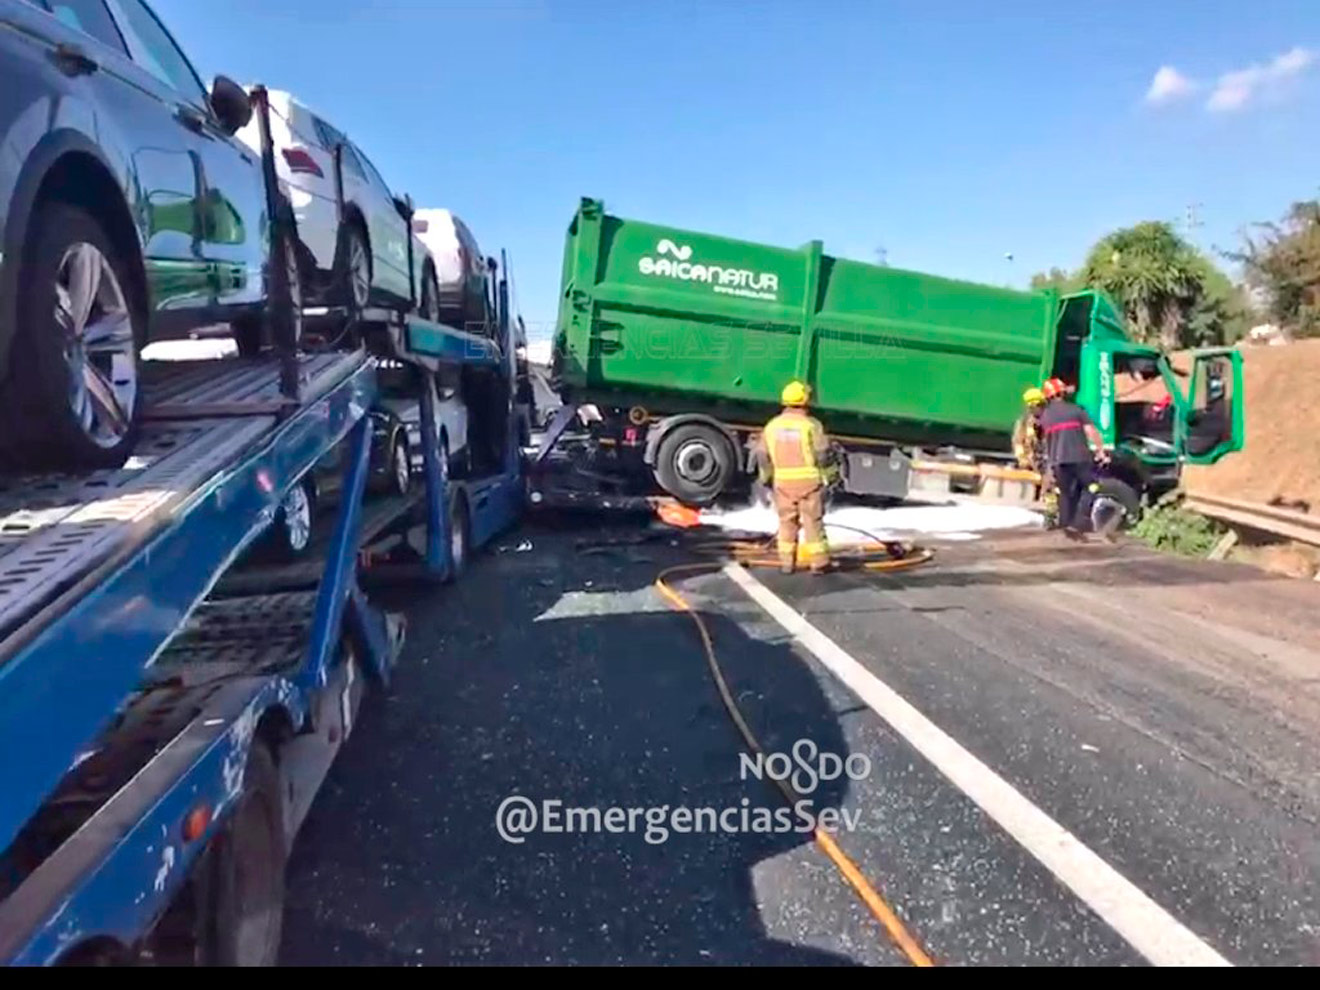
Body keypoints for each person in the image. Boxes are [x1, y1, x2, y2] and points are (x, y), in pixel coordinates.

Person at [754, 382, 833, 575]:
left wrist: (766, 477)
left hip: (782, 484)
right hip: (809, 484)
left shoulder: (772, 425)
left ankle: (787, 564)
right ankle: (819, 563)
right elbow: (823, 454)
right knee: (812, 523)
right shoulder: (810, 425)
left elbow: (762, 455)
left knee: (787, 523)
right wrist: (830, 475)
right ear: (805, 401)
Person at [1038, 377, 1109, 540]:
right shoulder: (1076, 410)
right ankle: (1080, 521)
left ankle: (1065, 526)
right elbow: (1091, 431)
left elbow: (1044, 442)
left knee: (1065, 494)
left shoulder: (1045, 417)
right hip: (1079, 458)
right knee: (1091, 487)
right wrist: (1100, 451)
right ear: (1062, 393)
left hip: (1058, 462)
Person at [1012, 386, 1058, 528]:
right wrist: (1023, 458)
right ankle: (1051, 513)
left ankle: (1053, 514)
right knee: (1049, 487)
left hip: (1052, 457)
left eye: (1039, 405)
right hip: (1037, 459)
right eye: (1033, 406)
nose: (1036, 409)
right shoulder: (1024, 422)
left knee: (1052, 485)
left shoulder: (1053, 419)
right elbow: (1018, 441)